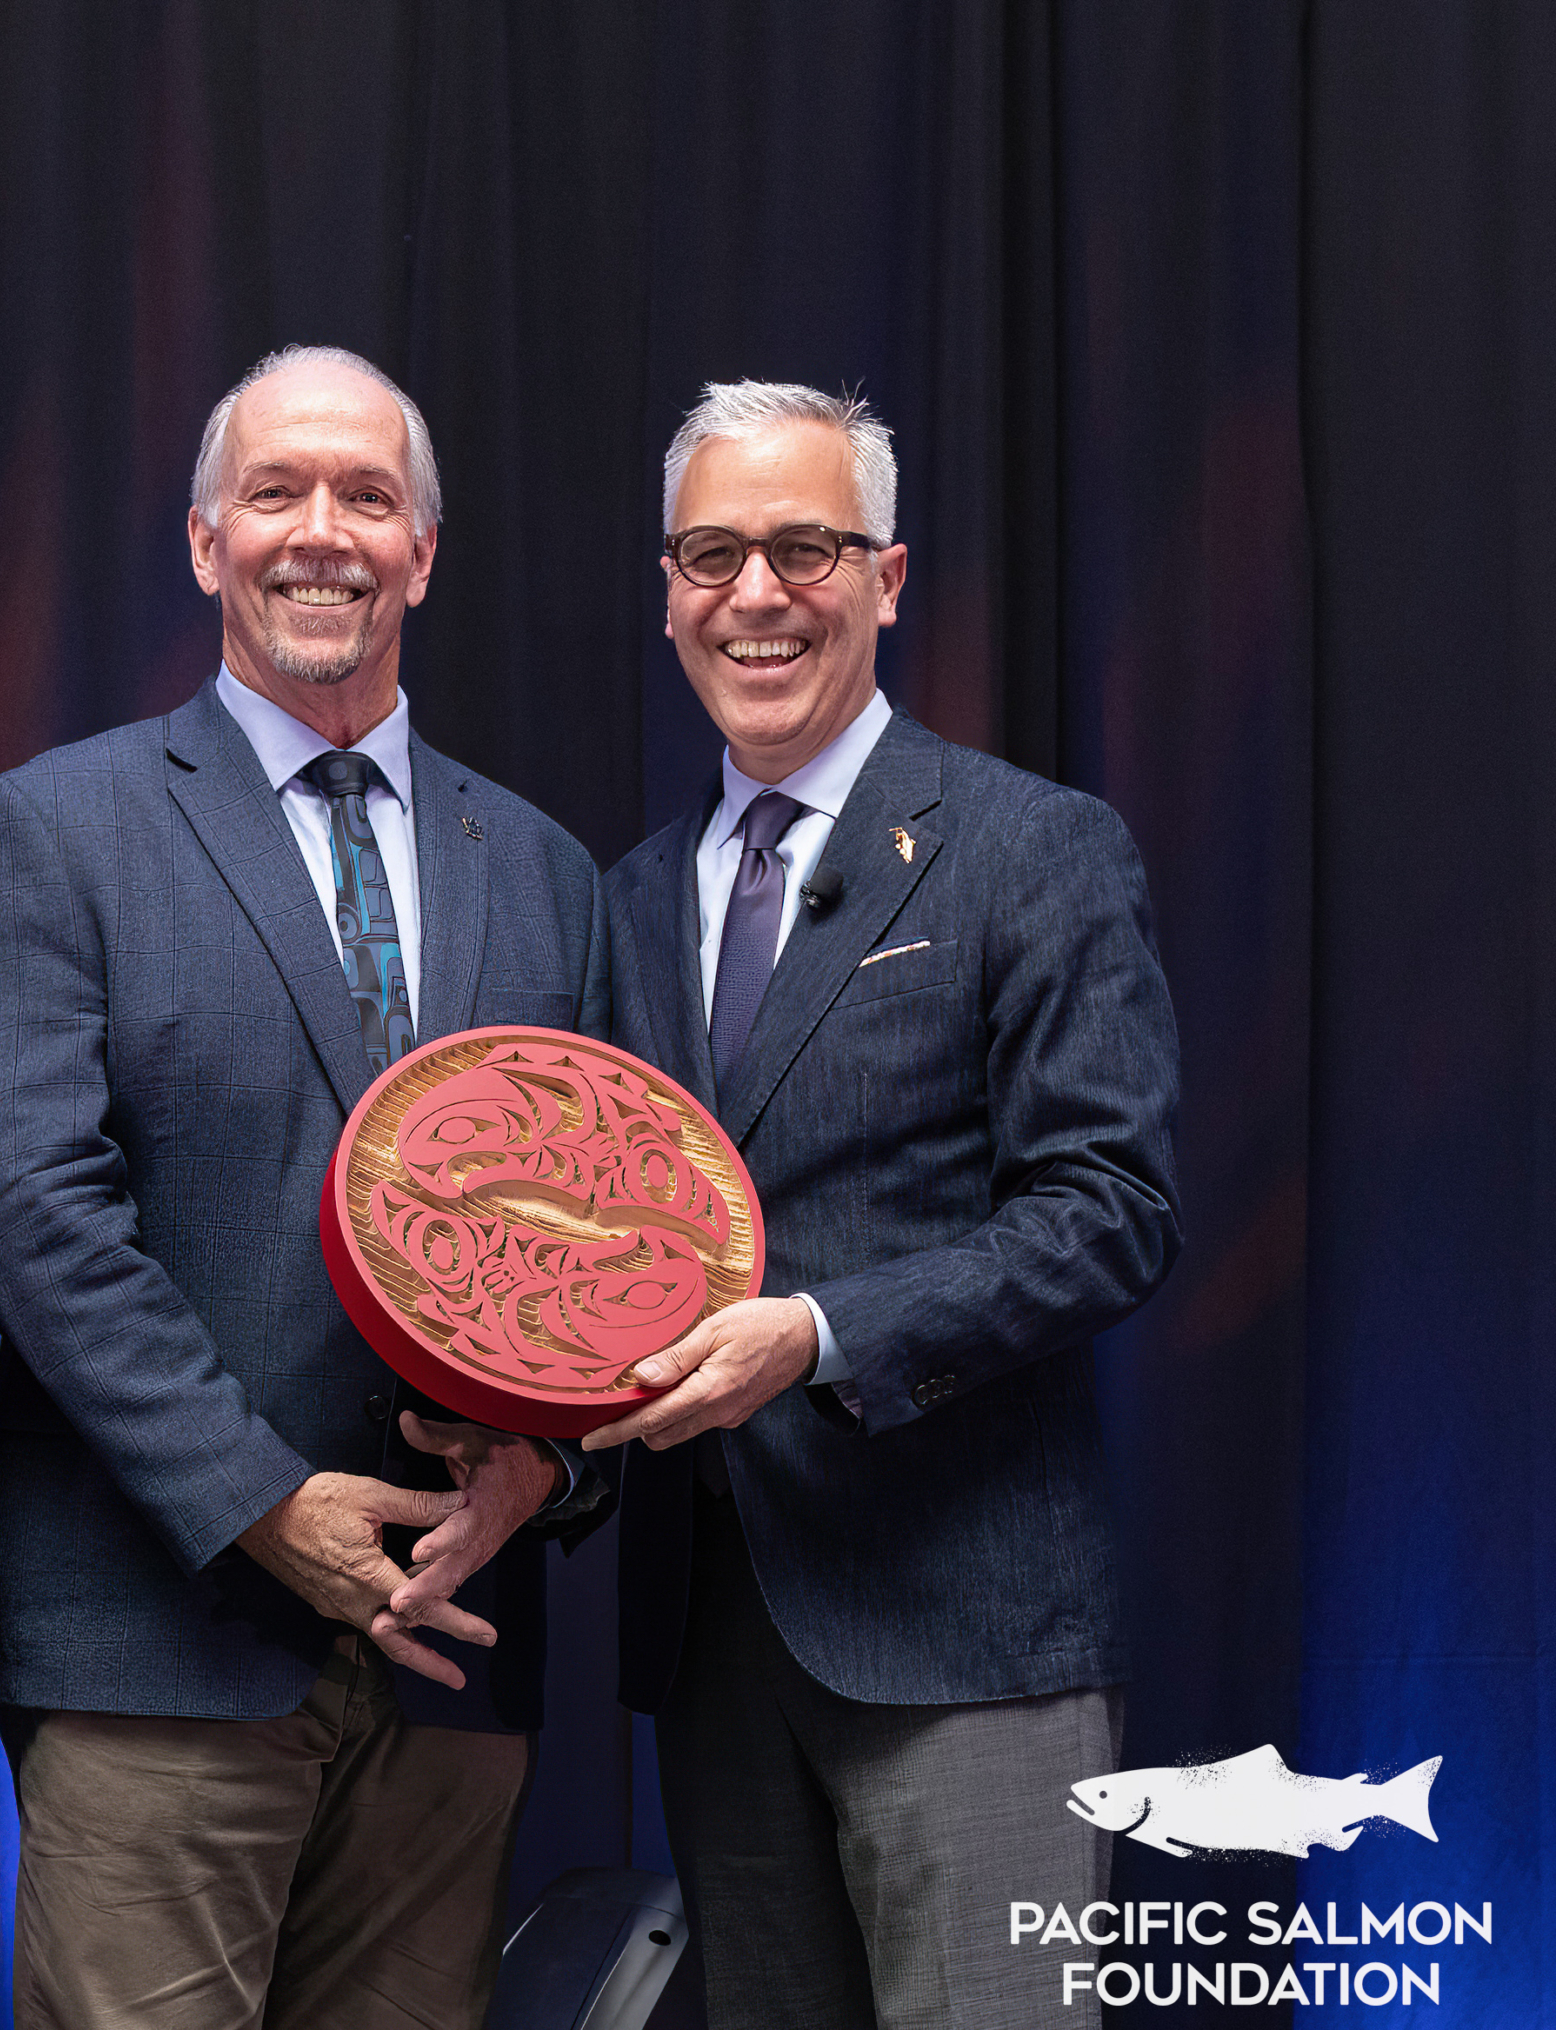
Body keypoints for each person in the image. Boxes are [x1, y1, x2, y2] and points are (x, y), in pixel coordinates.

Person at [0, 344, 609, 2030]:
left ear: (425, 551)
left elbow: (605, 1235)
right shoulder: (61, 827)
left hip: (459, 1656)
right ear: (201, 540)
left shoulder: (539, 867)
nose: (321, 533)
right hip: (163, 1643)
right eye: (276, 492)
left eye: (367, 497)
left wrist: (539, 1472)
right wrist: (264, 1504)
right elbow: (36, 1216)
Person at [584, 381, 1180, 2028]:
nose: (755, 593)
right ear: (666, 588)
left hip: (966, 1637)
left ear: (890, 575)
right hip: (713, 1647)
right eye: (713, 553)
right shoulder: (625, 903)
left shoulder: (1032, 848)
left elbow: (1113, 1202)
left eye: (804, 547)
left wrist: (827, 1331)